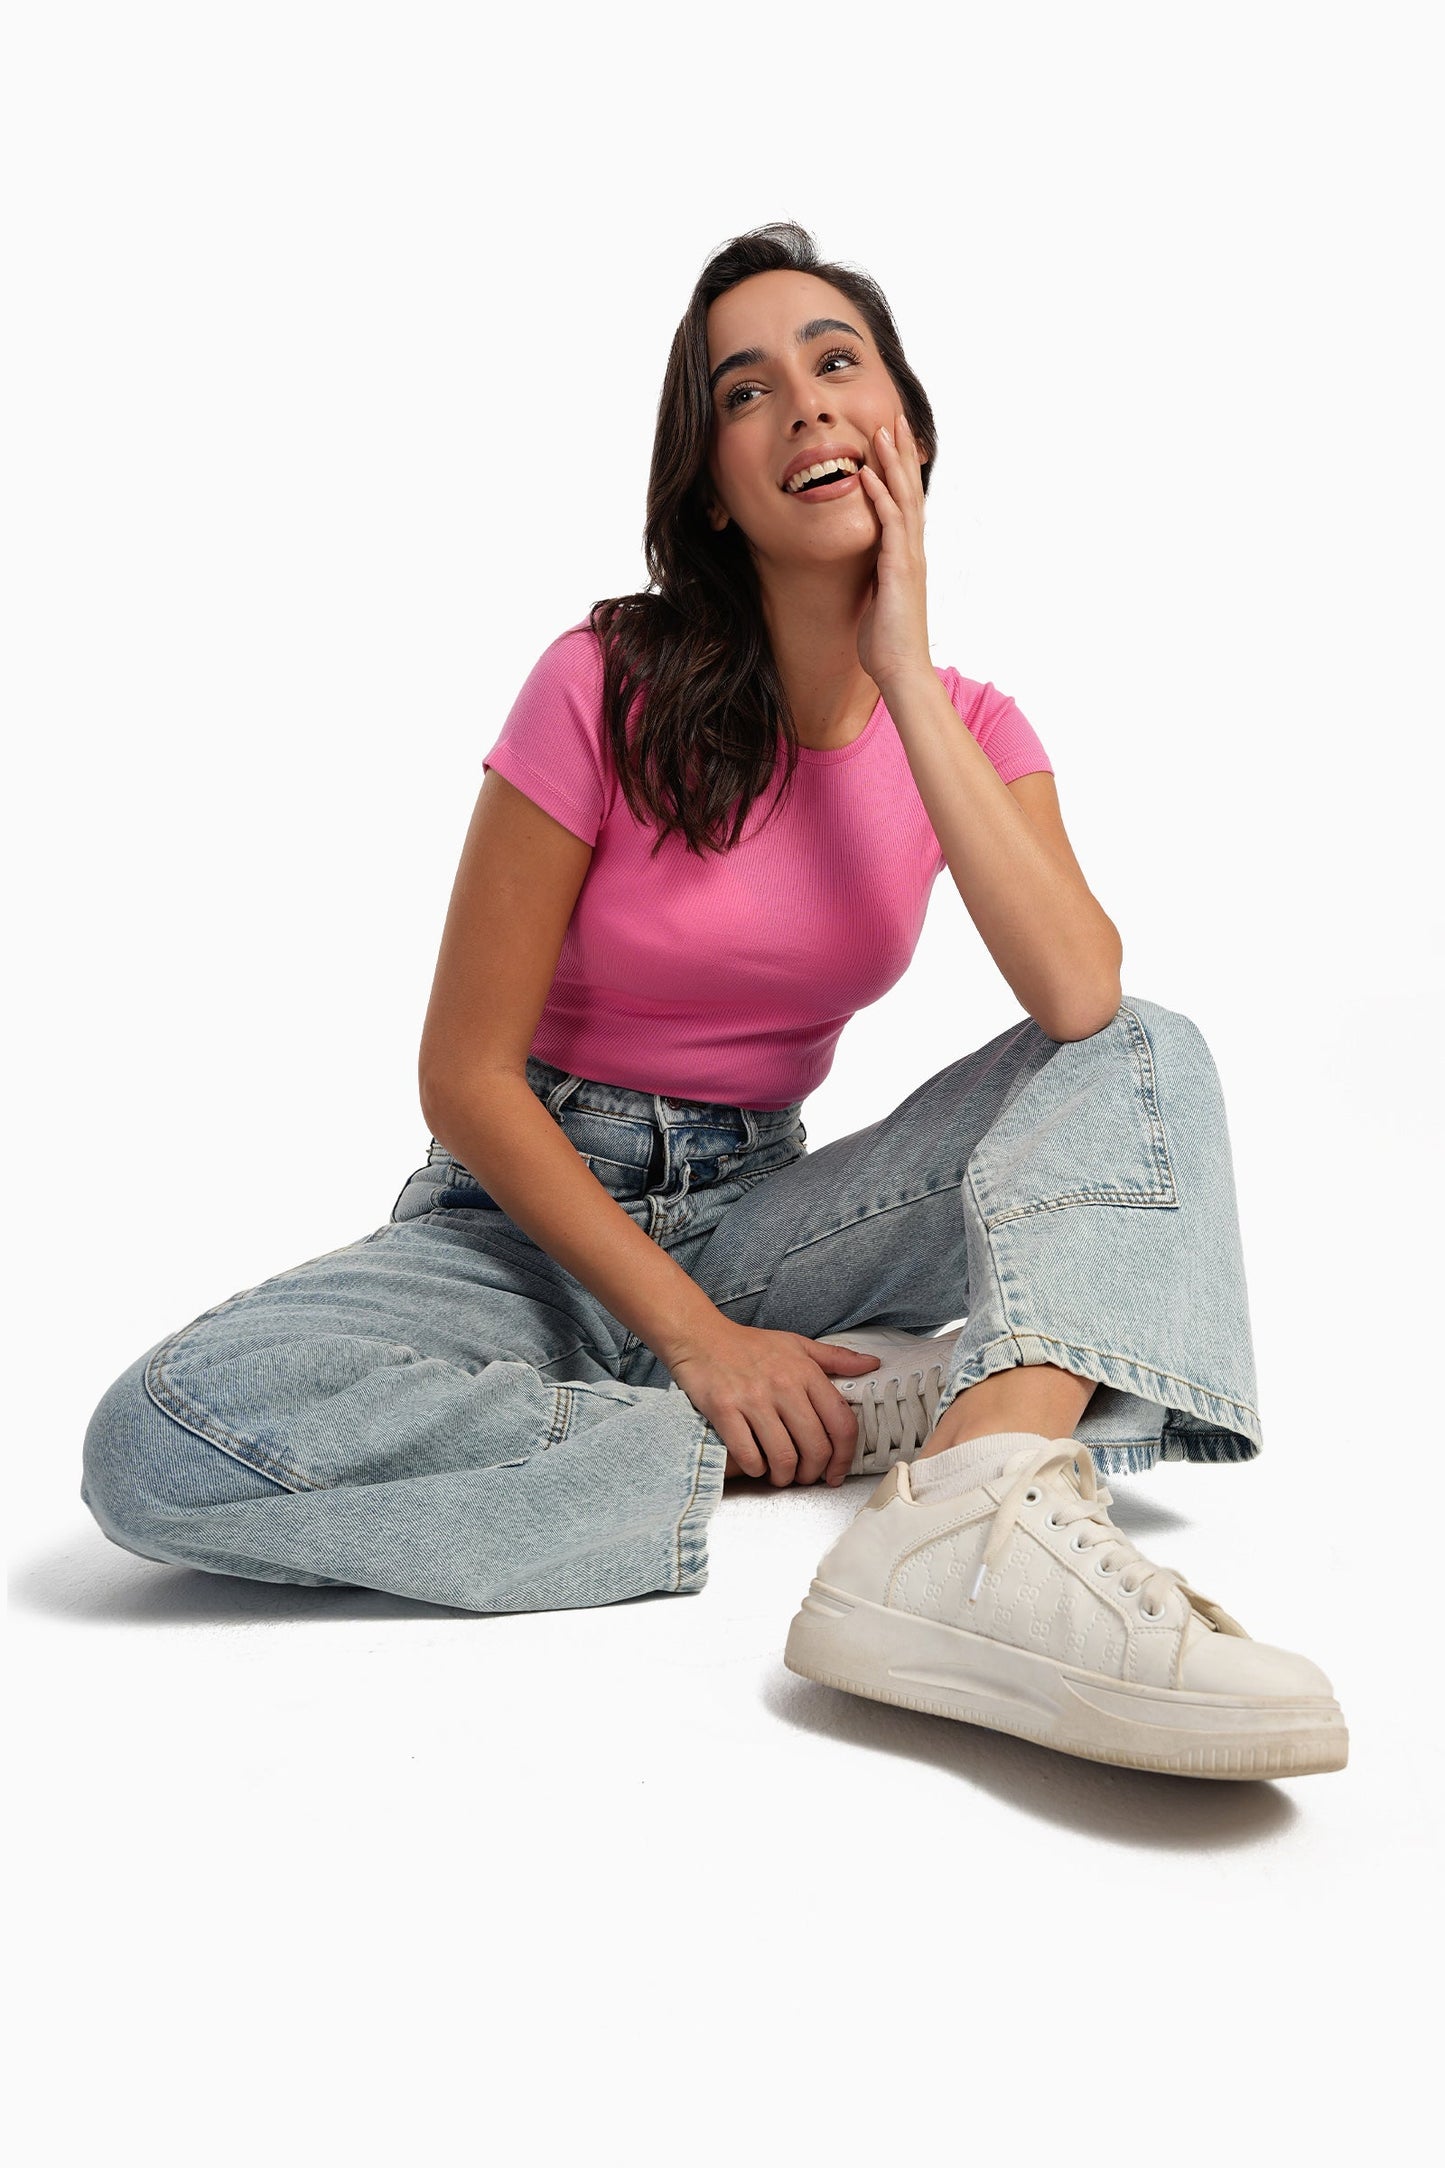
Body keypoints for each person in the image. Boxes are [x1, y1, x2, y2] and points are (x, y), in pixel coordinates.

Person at [80, 221, 1347, 1781]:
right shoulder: (594, 681)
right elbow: (464, 1072)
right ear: (710, 481)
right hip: (524, 1221)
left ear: (909, 431)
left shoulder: (972, 722)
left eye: (837, 365)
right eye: (745, 393)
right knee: (163, 1438)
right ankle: (801, 1434)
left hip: (768, 1219)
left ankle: (978, 1501)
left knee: (1144, 1051)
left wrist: (901, 664)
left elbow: (1078, 996)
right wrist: (694, 1346)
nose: (803, 406)